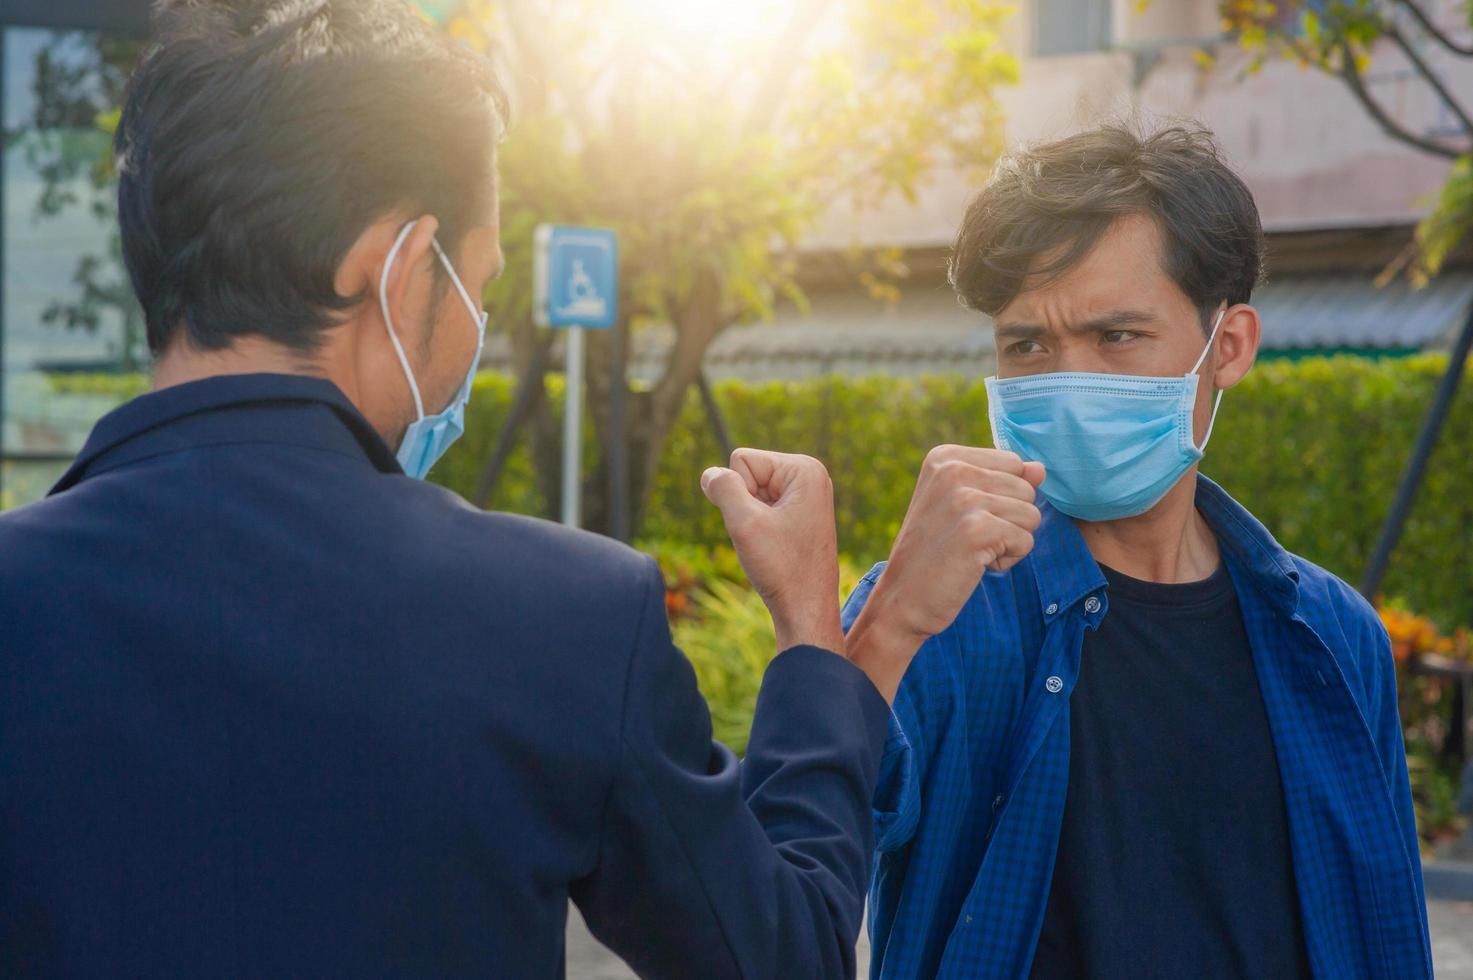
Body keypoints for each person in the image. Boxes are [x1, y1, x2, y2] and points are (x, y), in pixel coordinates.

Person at [0, 2, 1025, 976]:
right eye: (479, 282)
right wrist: (833, 638)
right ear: (400, 270)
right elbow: (780, 953)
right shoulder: (563, 615)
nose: (476, 317)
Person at [841, 125, 1433, 979]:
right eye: (1026, 346)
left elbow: (1383, 934)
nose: (1066, 380)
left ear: (1225, 347)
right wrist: (888, 622)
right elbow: (784, 878)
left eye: (1115, 336)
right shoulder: (937, 613)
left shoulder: (1333, 636)